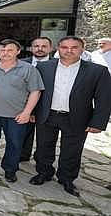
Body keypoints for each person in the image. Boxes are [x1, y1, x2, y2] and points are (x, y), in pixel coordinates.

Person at [29, 36, 111, 196]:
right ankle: (44, 172)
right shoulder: (43, 67)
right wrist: (32, 112)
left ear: (82, 49)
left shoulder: (97, 71)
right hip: (48, 115)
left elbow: (104, 99)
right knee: (43, 146)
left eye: (74, 47)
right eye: (65, 47)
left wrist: (98, 122)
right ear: (58, 49)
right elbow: (36, 91)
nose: (69, 51)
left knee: (72, 150)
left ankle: (66, 178)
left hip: (77, 117)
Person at [0, 39, 44, 183]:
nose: (5, 53)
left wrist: (27, 112)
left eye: (10, 50)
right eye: (2, 50)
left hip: (16, 114)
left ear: (18, 51)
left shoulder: (28, 69)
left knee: (14, 143)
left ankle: (10, 169)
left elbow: (35, 92)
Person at [19, 36, 53, 162]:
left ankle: (42, 160)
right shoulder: (21, 63)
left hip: (48, 106)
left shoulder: (58, 64)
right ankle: (23, 155)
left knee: (45, 137)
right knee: (24, 133)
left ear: (50, 48)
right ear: (31, 48)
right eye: (36, 46)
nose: (40, 49)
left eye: (44, 46)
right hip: (25, 105)